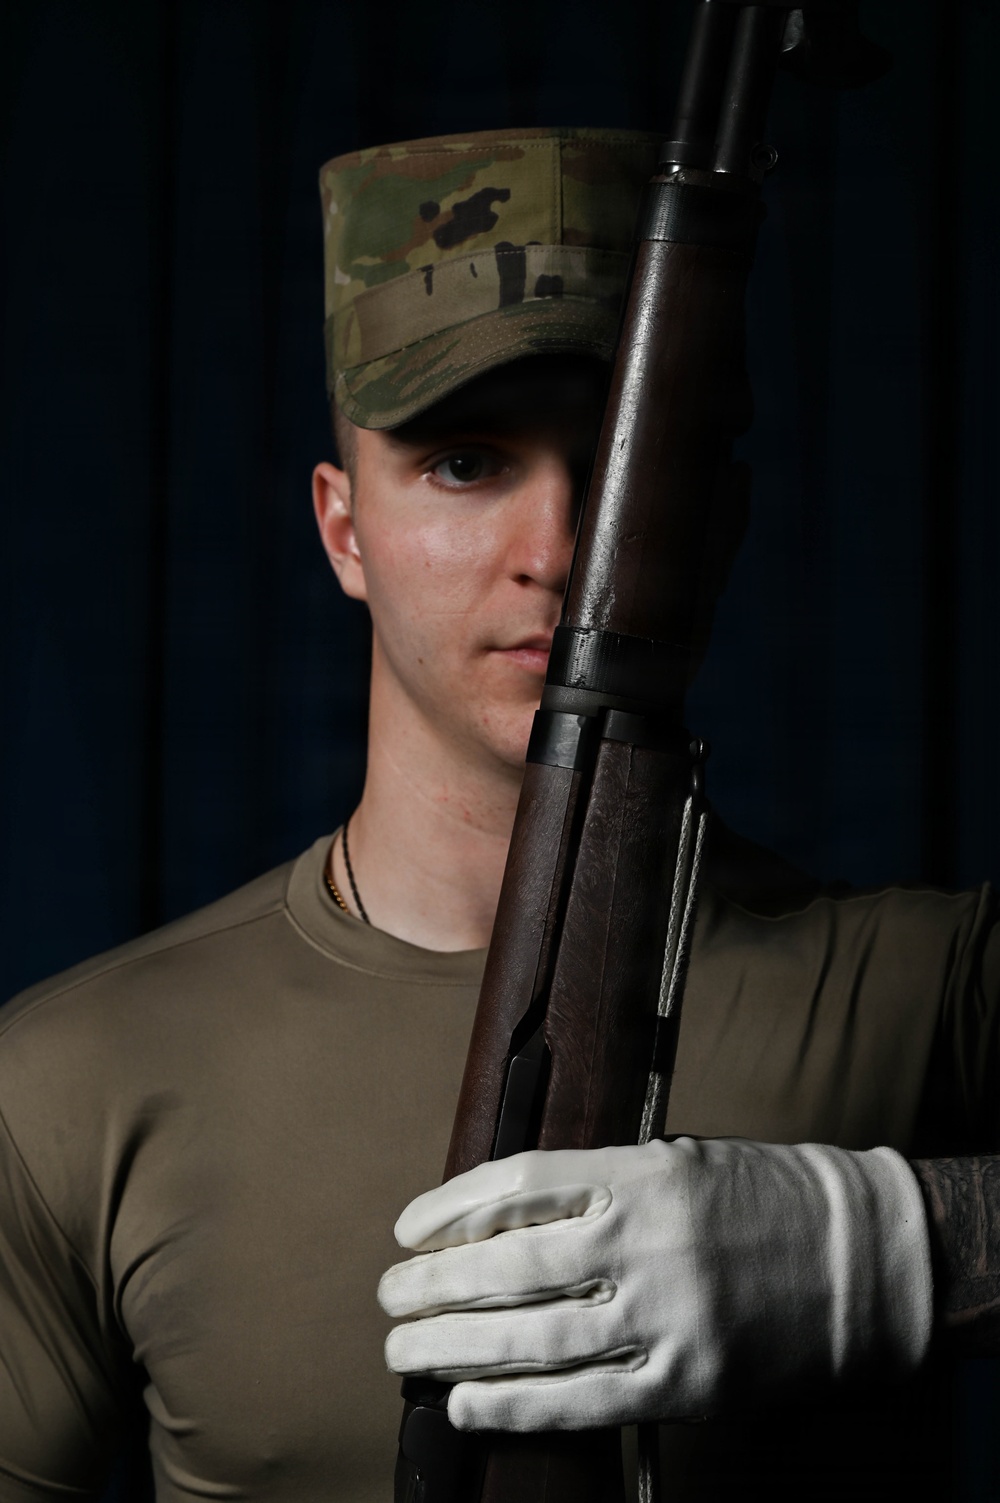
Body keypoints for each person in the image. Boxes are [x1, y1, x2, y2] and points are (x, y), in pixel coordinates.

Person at [0, 126, 996, 1503]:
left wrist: (898, 1245)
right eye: (466, 463)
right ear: (344, 530)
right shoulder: (71, 1085)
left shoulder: (935, 990)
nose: (562, 550)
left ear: (722, 519)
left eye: (630, 466)